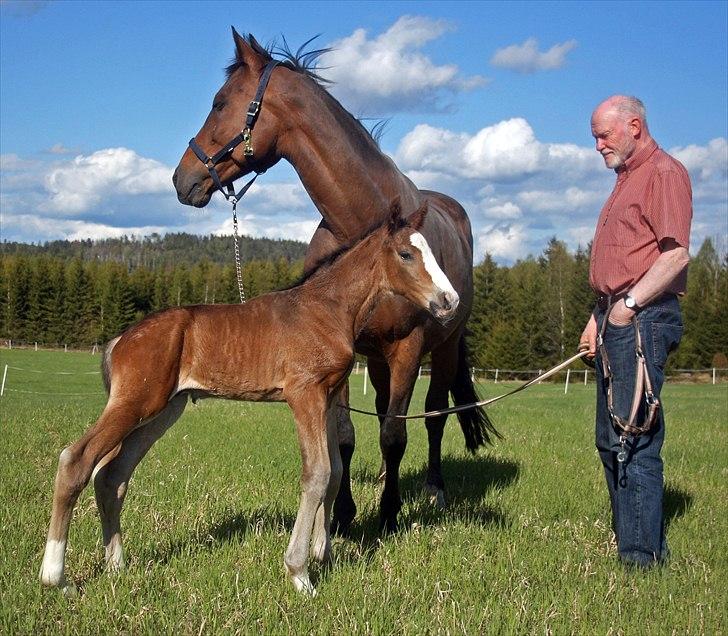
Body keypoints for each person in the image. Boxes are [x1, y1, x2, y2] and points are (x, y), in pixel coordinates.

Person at [579, 95, 692, 568]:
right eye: (595, 138)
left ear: (635, 127)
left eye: (604, 136)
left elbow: (675, 256)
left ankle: (641, 559)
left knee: (634, 438)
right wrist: (597, 313)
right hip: (615, 315)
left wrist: (625, 308)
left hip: (642, 318)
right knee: (610, 439)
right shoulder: (626, 179)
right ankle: (629, 539)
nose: (598, 146)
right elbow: (619, 262)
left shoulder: (664, 173)